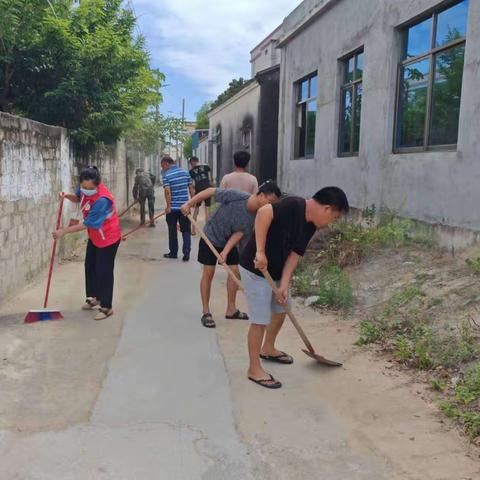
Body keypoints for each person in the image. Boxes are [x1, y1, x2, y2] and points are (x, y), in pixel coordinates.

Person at [239, 187, 349, 389]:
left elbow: (295, 255)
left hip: (277, 271)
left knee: (282, 307)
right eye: (334, 218)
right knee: (260, 319)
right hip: (255, 269)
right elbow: (263, 213)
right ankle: (254, 368)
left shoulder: (310, 226)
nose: (330, 223)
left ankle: (268, 348)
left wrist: (285, 284)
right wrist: (260, 251)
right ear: (326, 209)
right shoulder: (294, 205)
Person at [181, 181, 281, 328]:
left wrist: (225, 252)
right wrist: (189, 204)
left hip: (229, 240)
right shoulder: (238, 196)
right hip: (210, 236)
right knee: (208, 273)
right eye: (269, 202)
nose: (270, 207)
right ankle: (206, 312)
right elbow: (209, 191)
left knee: (234, 271)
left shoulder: (256, 218)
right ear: (260, 195)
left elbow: (239, 233)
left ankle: (231, 309)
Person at [53, 166, 122, 320]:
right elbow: (78, 198)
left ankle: (106, 306)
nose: (85, 190)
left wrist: (63, 231)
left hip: (108, 238)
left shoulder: (102, 200)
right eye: (83, 187)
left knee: (104, 271)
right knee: (90, 266)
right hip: (95, 237)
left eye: (89, 188)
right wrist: (66, 195)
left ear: (97, 185)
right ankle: (96, 297)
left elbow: (87, 224)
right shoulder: (84, 189)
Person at [161, 155, 195, 261]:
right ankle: (186, 252)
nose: (163, 169)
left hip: (172, 209)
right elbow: (191, 189)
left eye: (163, 166)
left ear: (166, 163)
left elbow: (167, 191)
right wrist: (192, 202)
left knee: (172, 231)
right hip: (184, 208)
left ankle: (173, 253)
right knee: (186, 230)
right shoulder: (185, 173)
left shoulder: (167, 175)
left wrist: (168, 206)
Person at [189, 156, 212, 235]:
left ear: (192, 162)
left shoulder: (191, 171)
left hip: (199, 190)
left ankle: (193, 230)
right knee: (207, 209)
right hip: (207, 189)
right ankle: (207, 231)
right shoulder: (205, 167)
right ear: (198, 161)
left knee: (196, 209)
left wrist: (192, 195)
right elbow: (209, 175)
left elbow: (191, 184)